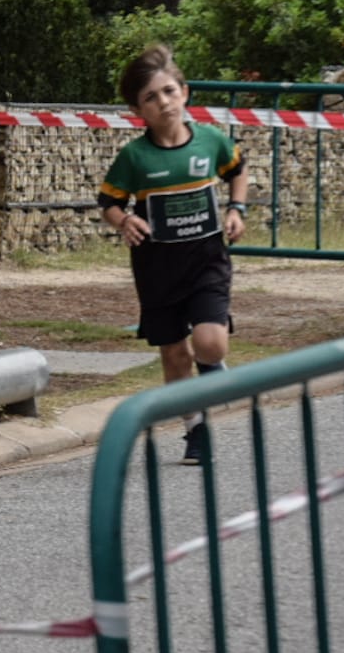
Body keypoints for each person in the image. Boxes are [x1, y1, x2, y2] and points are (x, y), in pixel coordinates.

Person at [97, 43, 249, 467]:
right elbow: (108, 201)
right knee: (175, 354)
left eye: (168, 91)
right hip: (157, 267)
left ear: (184, 92)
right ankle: (195, 429)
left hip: (207, 259)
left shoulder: (211, 141)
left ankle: (213, 372)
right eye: (151, 97)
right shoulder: (134, 157)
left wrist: (237, 209)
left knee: (210, 343)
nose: (163, 102)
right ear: (137, 110)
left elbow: (237, 171)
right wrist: (124, 221)